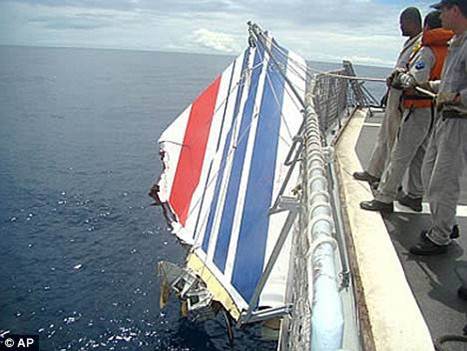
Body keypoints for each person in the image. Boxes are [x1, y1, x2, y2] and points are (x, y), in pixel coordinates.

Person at [360, 11, 453, 212]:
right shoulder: (450, 50)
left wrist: (399, 79)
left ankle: (384, 198)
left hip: (418, 109)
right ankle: (414, 195)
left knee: (400, 154)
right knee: (421, 154)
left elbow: (415, 79)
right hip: (435, 110)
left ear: (426, 26)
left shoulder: (427, 51)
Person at [409, 0, 467, 255]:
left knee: (444, 180)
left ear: (455, 10)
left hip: (458, 122)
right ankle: (447, 224)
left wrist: (454, 98)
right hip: (445, 120)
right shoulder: (458, 42)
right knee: (429, 173)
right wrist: (436, 87)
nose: (440, 15)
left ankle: (440, 236)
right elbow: (453, 81)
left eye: (443, 10)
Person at [353, 8, 423, 186]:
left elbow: (412, 74)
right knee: (384, 137)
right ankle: (374, 172)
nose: (400, 26)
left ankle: (393, 184)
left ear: (412, 22)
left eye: (402, 22)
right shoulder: (412, 42)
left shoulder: (420, 44)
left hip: (402, 101)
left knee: (394, 143)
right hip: (395, 96)